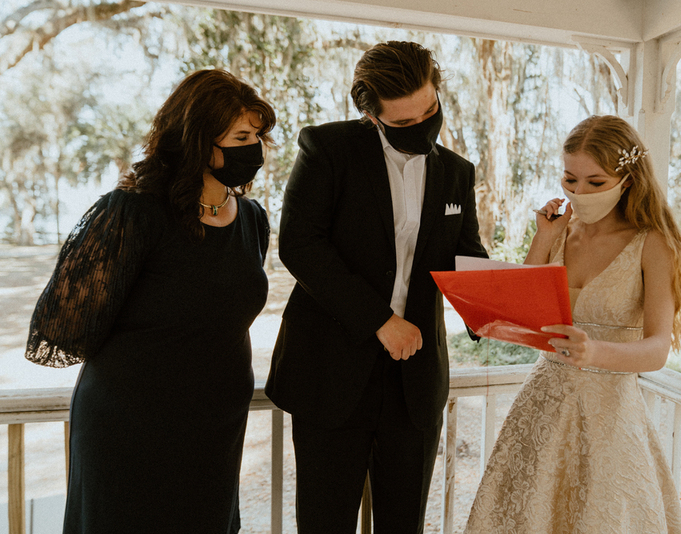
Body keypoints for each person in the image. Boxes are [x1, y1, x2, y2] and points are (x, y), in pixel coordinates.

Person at [25, 69, 276, 534]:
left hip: (215, 424)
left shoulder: (254, 220)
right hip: (130, 425)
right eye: (241, 135)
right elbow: (64, 325)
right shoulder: (133, 210)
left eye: (259, 134)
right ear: (198, 139)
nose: (255, 147)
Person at [266, 41, 487, 534]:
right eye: (404, 123)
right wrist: (380, 322)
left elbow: (466, 259)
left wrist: (504, 301)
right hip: (331, 372)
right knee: (325, 522)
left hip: (415, 387)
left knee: (403, 524)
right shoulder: (325, 149)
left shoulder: (457, 173)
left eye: (430, 111)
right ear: (370, 115)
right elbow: (300, 246)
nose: (423, 127)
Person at [465, 115, 681, 534]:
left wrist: (596, 352)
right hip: (542, 406)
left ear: (627, 179)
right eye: (570, 180)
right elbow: (521, 311)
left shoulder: (653, 243)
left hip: (610, 417)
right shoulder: (560, 232)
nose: (579, 192)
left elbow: (659, 347)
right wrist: (542, 237)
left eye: (595, 182)